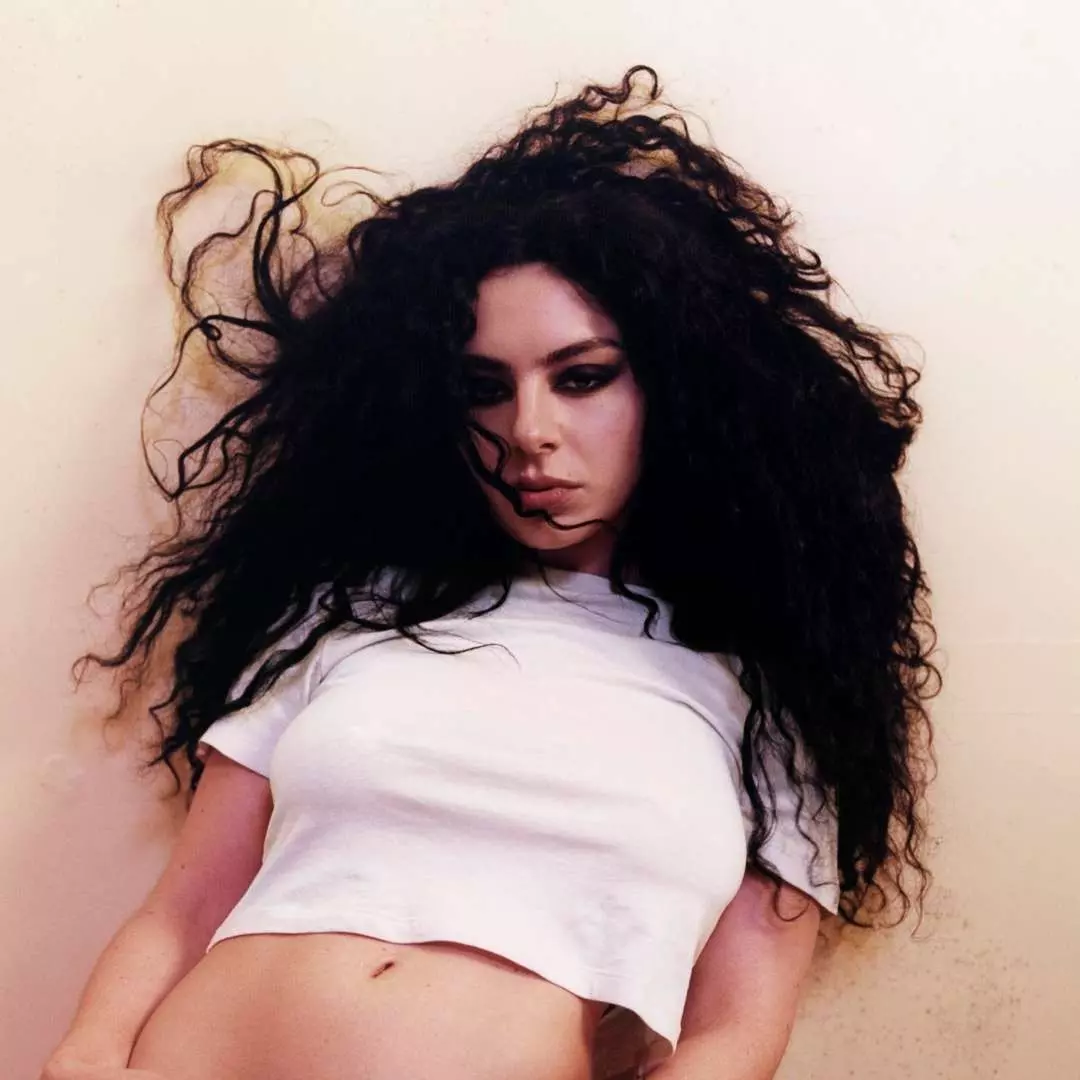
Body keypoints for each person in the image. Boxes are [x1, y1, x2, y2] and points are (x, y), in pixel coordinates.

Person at [42, 65, 940, 1080]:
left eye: (582, 377)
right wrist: (87, 1054)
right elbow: (184, 910)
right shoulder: (347, 613)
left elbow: (735, 1036)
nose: (529, 432)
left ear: (680, 389)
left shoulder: (771, 701)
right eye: (485, 388)